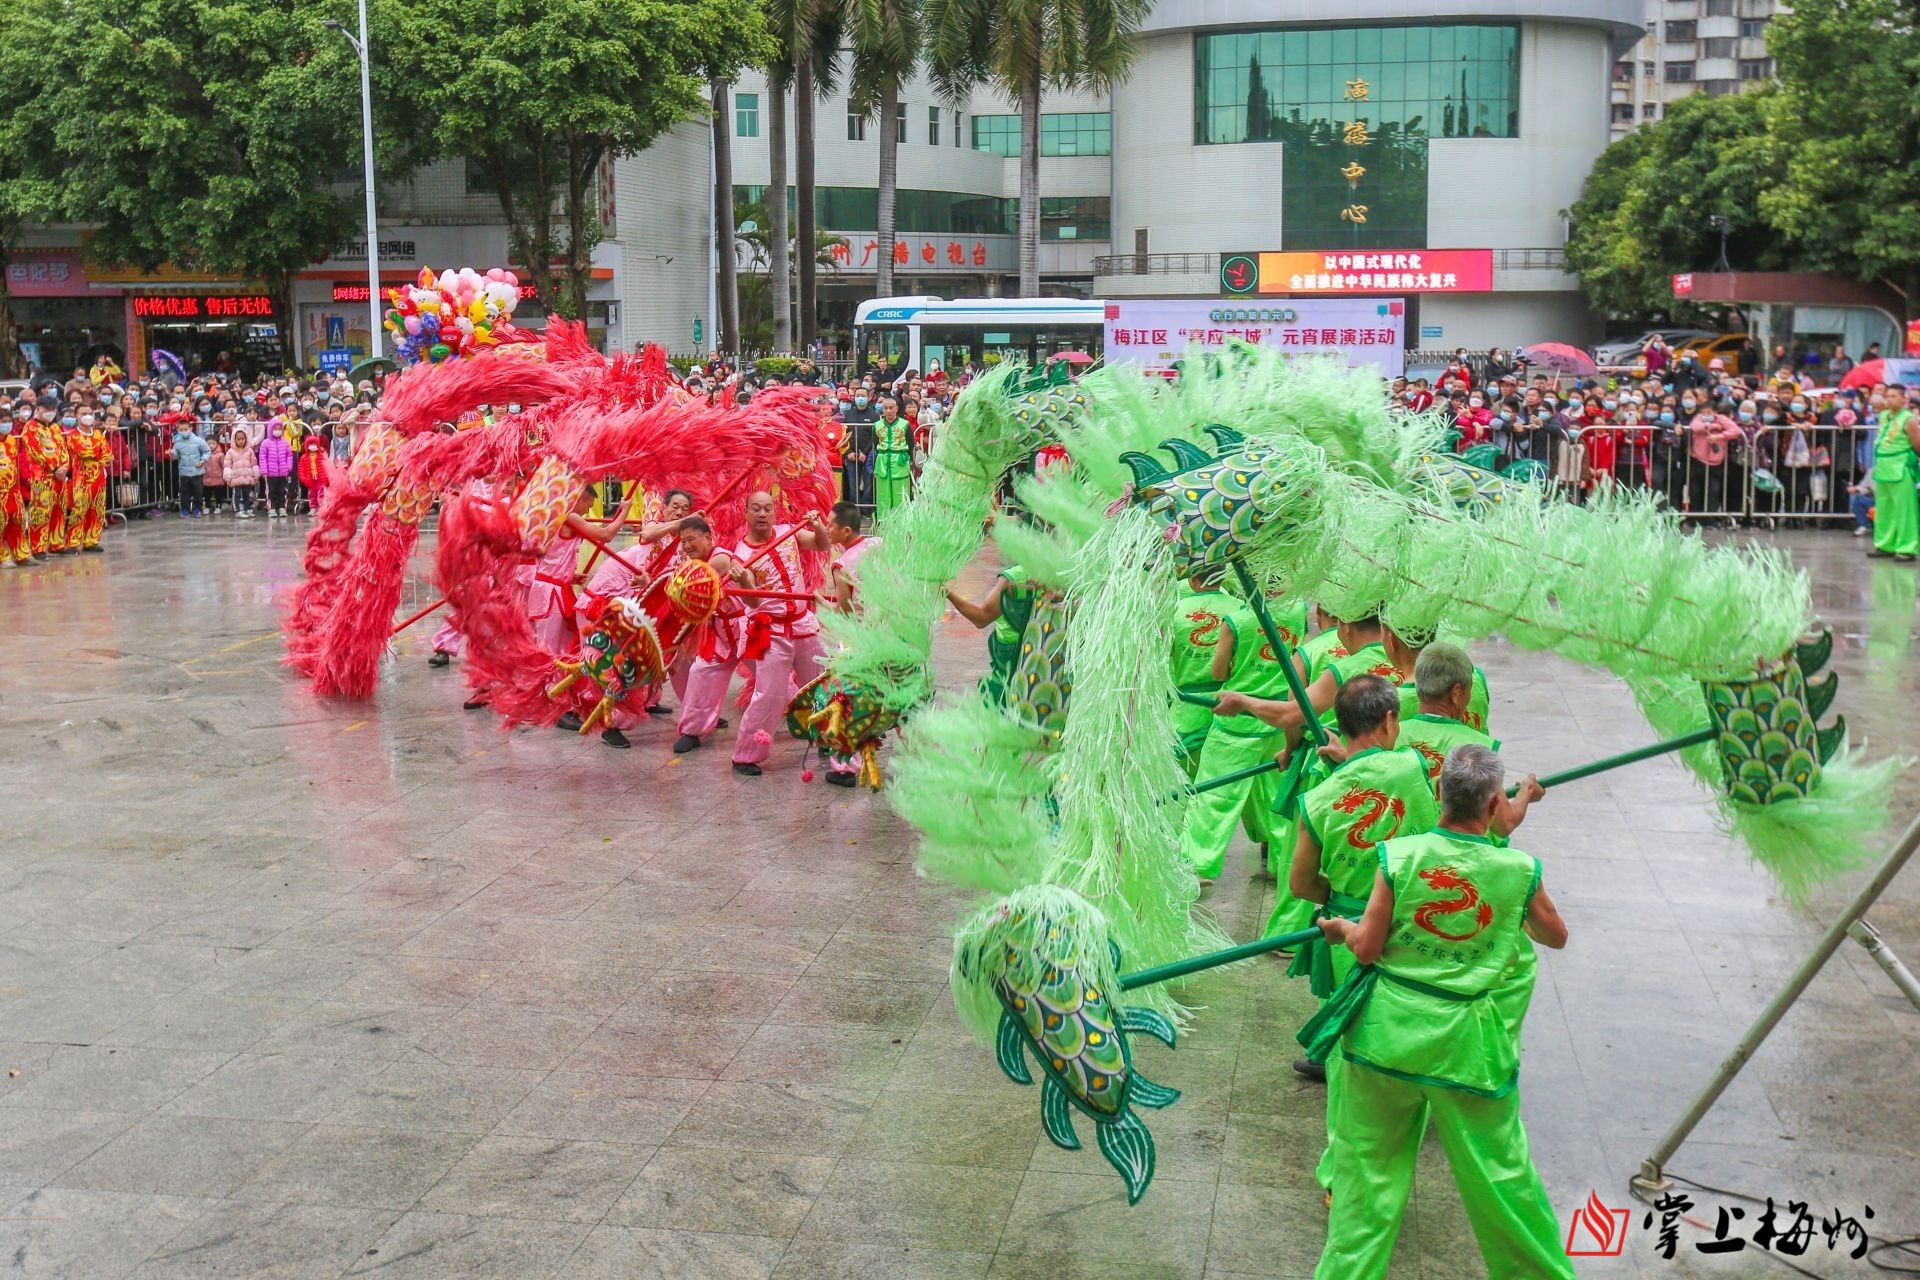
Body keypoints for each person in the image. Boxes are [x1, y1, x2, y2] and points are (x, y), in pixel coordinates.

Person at [1306, 744, 1568, 1280]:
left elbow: (1366, 948)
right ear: (1494, 804)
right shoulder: (1519, 870)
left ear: (1439, 791)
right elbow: (1555, 936)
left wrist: (1340, 928)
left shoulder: (1398, 857)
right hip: (1465, 1048)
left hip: (1384, 1038)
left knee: (1364, 1181)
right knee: (1502, 1176)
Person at [1288, 675, 1440, 1178]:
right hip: (1412, 924)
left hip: (1346, 930)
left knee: (1348, 1060)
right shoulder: (1413, 765)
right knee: (1411, 1038)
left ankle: (1340, 1174)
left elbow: (1300, 883)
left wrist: (1343, 897)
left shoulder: (1318, 800)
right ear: (1390, 720)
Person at [1182, 591, 1309, 886]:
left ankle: (1197, 865)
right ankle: (1283, 864)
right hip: (1279, 718)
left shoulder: (1237, 621)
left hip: (1237, 723)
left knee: (1216, 796)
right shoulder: (1298, 609)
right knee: (1277, 799)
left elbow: (1218, 671)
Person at [725, 491, 830, 777]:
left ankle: (828, 738)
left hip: (803, 625)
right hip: (772, 631)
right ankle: (746, 755)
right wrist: (745, 581)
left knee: (821, 685)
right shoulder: (741, 556)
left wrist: (818, 525)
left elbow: (822, 544)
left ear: (774, 512)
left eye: (768, 508)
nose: (762, 514)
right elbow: (752, 602)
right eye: (756, 509)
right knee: (768, 695)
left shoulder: (789, 532)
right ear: (746, 512)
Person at [1394, 643, 1499, 792]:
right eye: (1469, 689)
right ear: (1456, 692)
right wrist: (1525, 794)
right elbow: (1496, 806)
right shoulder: (1480, 750)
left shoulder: (1390, 739)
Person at [1169, 571, 1231, 773]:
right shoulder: (1241, 608)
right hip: (1231, 705)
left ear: (1192, 580)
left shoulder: (1173, 611)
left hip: (1187, 711)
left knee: (1182, 777)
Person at [1870, 385, 1918, 561]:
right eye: (1887, 396)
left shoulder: (1909, 419)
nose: (1889, 399)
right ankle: (1885, 544)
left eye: (1893, 396)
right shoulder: (1883, 416)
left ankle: (1907, 547)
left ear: (1904, 399)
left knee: (1904, 510)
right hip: (1883, 467)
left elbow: (1917, 444)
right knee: (1884, 509)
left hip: (1900, 467)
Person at [21, 403, 71, 559]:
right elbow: (35, 451)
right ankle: (38, 548)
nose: (50, 412)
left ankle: (56, 544)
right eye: (46, 409)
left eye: (52, 409)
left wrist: (65, 466)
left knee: (59, 510)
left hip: (60, 477)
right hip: (41, 477)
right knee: (40, 512)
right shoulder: (30, 427)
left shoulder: (55, 427)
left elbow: (63, 448)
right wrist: (54, 468)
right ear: (38, 410)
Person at [63, 410, 110, 552]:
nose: (87, 415)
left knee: (98, 510)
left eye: (90, 413)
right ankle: (72, 542)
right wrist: (97, 455)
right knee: (79, 510)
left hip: (99, 478)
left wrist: (97, 456)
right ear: (77, 416)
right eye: (83, 413)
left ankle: (92, 541)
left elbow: (107, 454)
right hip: (81, 478)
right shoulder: (72, 435)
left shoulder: (98, 434)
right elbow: (82, 452)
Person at [872, 397, 913, 517]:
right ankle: (883, 520)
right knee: (883, 492)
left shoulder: (905, 424)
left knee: (900, 492)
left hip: (899, 459)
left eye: (891, 408)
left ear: (896, 408)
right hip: (883, 460)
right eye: (885, 408)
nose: (888, 411)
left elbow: (910, 443)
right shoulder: (877, 425)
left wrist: (908, 458)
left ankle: (901, 520)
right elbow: (875, 442)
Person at [0, 409, 28, 567]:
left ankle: (21, 554)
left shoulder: (11, 440)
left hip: (12, 489)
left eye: (8, 421)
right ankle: (2, 557)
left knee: (18, 521)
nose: (7, 424)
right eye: (3, 421)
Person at [257, 419, 293, 517]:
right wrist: (264, 470)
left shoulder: (285, 443)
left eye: (279, 429)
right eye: (275, 428)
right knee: (271, 491)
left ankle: (282, 508)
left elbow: (289, 455)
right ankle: (272, 508)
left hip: (283, 473)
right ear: (270, 429)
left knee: (283, 491)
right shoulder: (265, 443)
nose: (278, 431)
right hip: (270, 473)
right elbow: (262, 458)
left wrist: (288, 467)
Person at [224, 428, 259, 518]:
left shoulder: (249, 451)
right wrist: (228, 476)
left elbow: (254, 463)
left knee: (247, 494)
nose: (241, 441)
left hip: (247, 477)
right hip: (236, 477)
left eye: (243, 439)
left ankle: (247, 509)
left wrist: (255, 474)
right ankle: (238, 510)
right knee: (237, 495)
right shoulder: (230, 452)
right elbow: (227, 465)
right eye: (238, 439)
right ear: (234, 440)